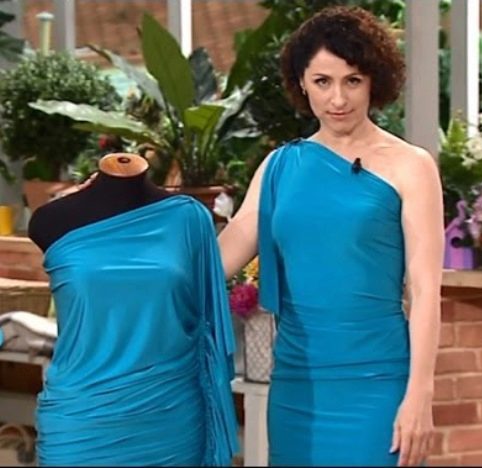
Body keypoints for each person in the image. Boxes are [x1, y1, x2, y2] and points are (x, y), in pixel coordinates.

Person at [218, 5, 443, 466]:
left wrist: (419, 394)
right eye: (323, 81)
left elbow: (425, 291)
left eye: (352, 80)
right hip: (296, 388)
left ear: (374, 80)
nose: (338, 98)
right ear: (302, 83)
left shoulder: (411, 166)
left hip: (377, 386)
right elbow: (217, 260)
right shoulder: (279, 167)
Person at [28, 153, 238, 466]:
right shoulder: (51, 221)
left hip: (170, 418)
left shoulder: (189, 219)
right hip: (82, 419)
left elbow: (205, 317)